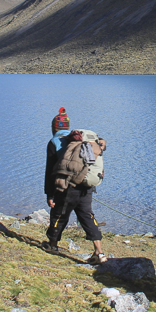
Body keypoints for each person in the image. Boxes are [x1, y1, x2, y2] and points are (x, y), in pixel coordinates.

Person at [43, 107, 107, 264]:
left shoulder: (55, 142)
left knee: (59, 214)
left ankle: (52, 245)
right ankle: (99, 252)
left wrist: (49, 194)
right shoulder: (80, 140)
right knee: (87, 216)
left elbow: (50, 171)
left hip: (67, 186)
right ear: (68, 127)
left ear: (54, 127)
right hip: (86, 185)